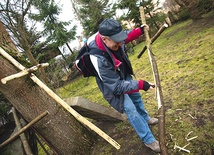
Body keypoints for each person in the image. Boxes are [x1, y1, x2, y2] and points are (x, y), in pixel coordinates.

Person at [87, 18, 161, 153]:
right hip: (112, 84)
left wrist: (140, 31)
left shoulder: (113, 37)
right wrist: (141, 84)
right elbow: (116, 86)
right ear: (104, 39)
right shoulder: (97, 58)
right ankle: (149, 140)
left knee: (136, 96)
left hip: (121, 71)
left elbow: (125, 36)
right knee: (130, 109)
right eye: (117, 42)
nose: (121, 44)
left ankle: (146, 118)